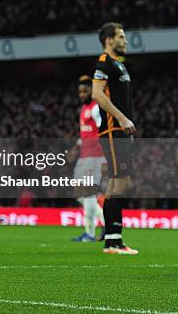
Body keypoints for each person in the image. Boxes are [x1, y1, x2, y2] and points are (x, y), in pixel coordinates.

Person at [92, 22, 138, 254]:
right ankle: (113, 240)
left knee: (117, 183)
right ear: (109, 40)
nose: (125, 40)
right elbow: (97, 93)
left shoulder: (119, 66)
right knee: (120, 182)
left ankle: (113, 239)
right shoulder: (104, 62)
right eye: (121, 36)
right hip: (112, 130)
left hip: (120, 132)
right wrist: (121, 119)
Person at [69, 75, 106, 242]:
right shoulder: (84, 109)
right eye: (80, 92)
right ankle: (105, 223)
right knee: (80, 194)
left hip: (95, 156)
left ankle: (90, 234)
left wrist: (106, 158)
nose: (82, 94)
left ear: (92, 91)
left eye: (85, 91)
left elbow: (103, 131)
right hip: (84, 155)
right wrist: (75, 148)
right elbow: (86, 133)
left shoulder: (95, 108)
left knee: (88, 193)